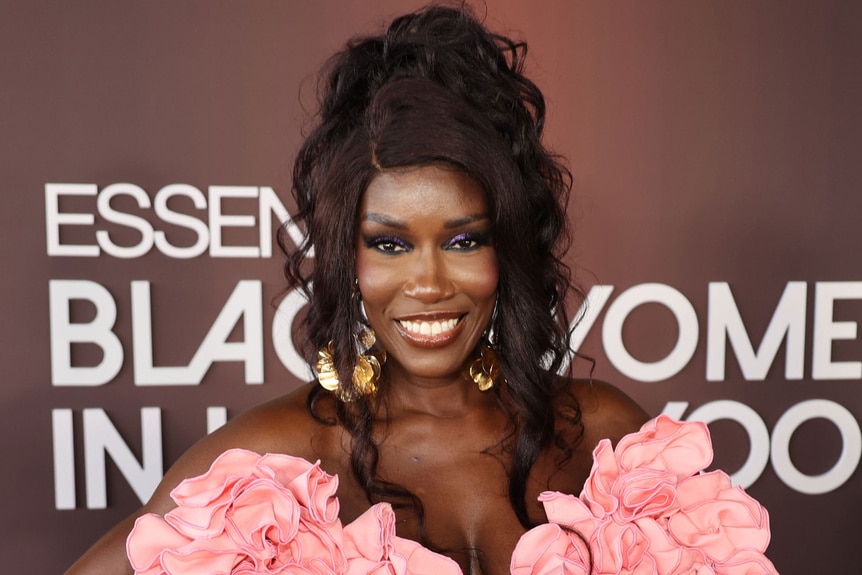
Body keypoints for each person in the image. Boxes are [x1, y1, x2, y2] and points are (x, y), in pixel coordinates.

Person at [66, 6, 649, 575]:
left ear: (508, 251)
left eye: (464, 241)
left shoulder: (604, 436)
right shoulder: (278, 457)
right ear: (348, 258)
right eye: (390, 245)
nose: (428, 284)